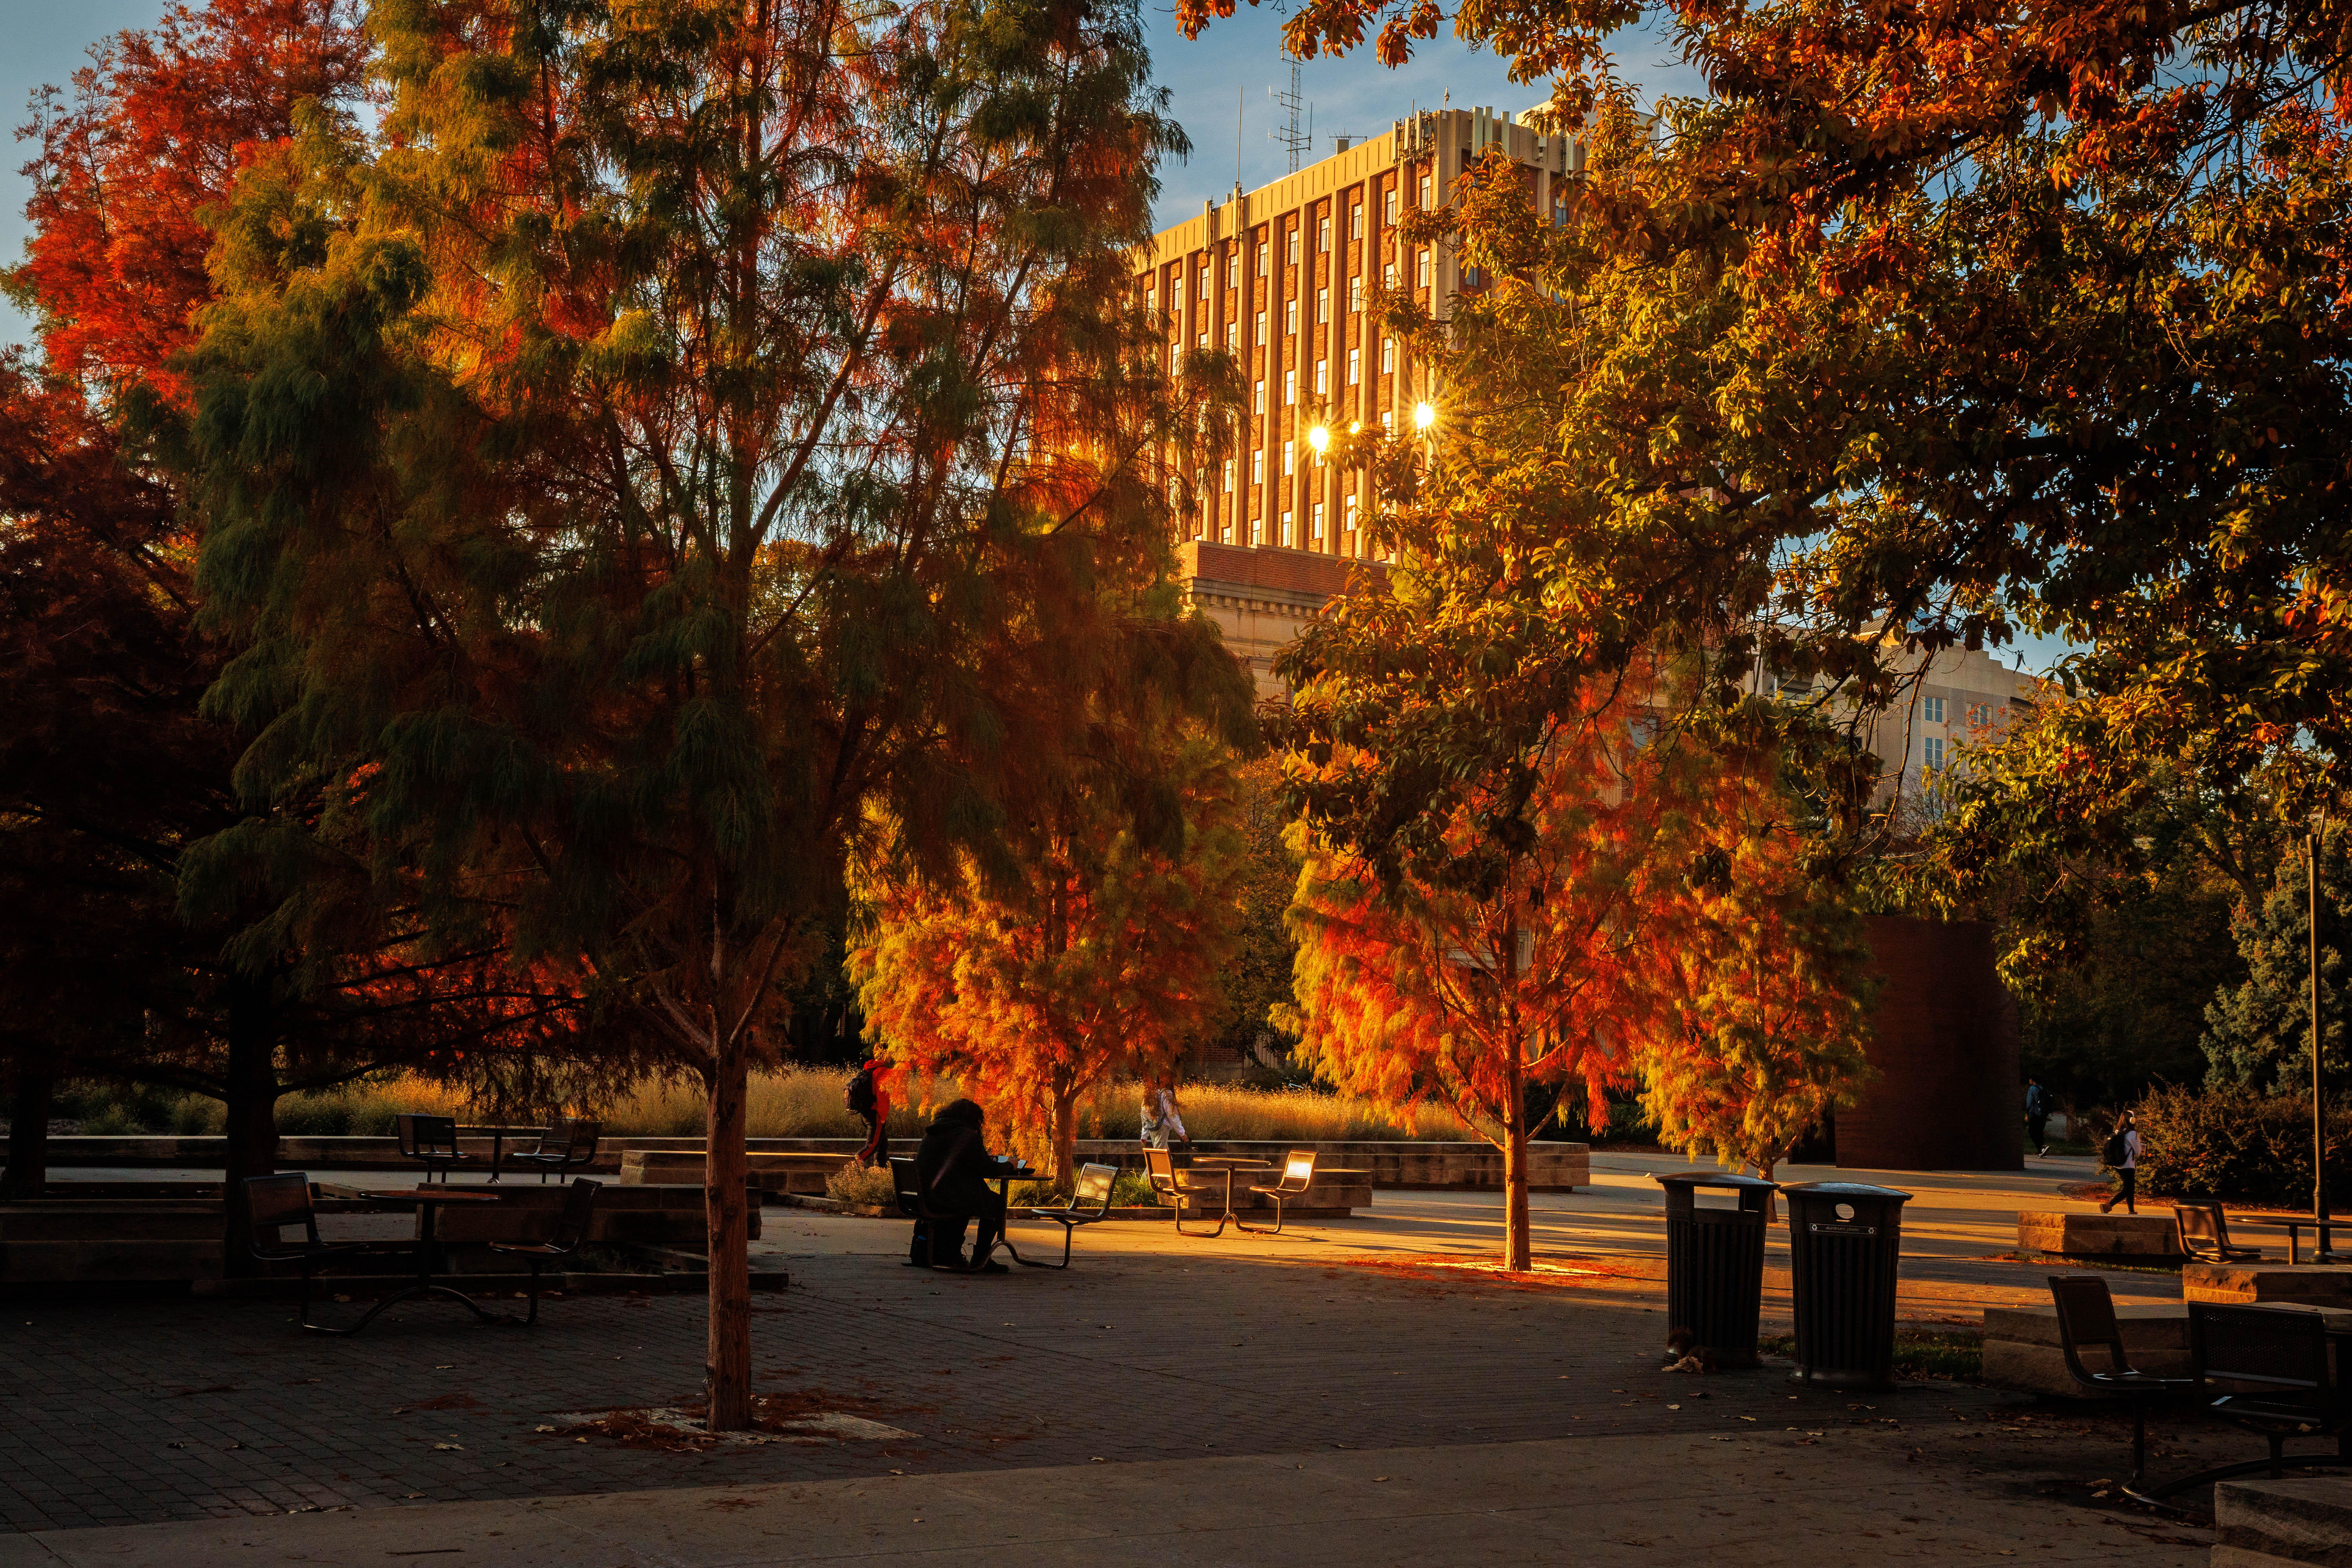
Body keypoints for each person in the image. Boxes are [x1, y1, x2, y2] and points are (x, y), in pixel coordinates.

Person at [914, 1098, 1009, 1274]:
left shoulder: (932, 1133)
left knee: (977, 1200)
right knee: (997, 1204)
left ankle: (955, 1254)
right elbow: (986, 1169)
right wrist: (1009, 1166)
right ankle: (981, 1258)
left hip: (928, 1197)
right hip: (949, 1197)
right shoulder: (966, 1135)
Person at [848, 1055, 893, 1168]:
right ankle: (848, 1168)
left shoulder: (869, 1068)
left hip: (866, 1113)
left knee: (882, 1146)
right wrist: (883, 1117)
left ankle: (880, 1174)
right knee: (872, 1146)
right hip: (875, 1114)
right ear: (886, 1055)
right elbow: (883, 1095)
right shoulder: (882, 1071)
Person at [2099, 1112, 2142, 1215]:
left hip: (2117, 1164)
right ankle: (2109, 1206)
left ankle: (2132, 1211)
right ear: (2132, 1120)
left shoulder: (2119, 1131)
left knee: (2129, 1188)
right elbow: (2138, 1152)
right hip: (2128, 1165)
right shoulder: (2133, 1134)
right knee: (2129, 1189)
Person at [1140, 1082, 1189, 1150]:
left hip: (1152, 1126)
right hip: (1163, 1127)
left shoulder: (1152, 1093)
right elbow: (1173, 1115)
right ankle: (1165, 1161)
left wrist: (1144, 1135)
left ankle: (1168, 1161)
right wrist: (1182, 1134)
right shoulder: (1167, 1093)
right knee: (1160, 1154)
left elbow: (1146, 1114)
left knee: (1163, 1153)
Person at [2025, 1079, 2050, 1158]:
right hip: (2043, 1113)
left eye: (2030, 1079)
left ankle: (2042, 1148)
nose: (2029, 1080)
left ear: (2033, 1080)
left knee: (2032, 1132)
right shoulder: (2043, 1089)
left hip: (2035, 1113)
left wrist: (2027, 1114)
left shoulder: (2033, 1089)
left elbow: (2029, 1103)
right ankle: (2041, 1152)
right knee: (2040, 1132)